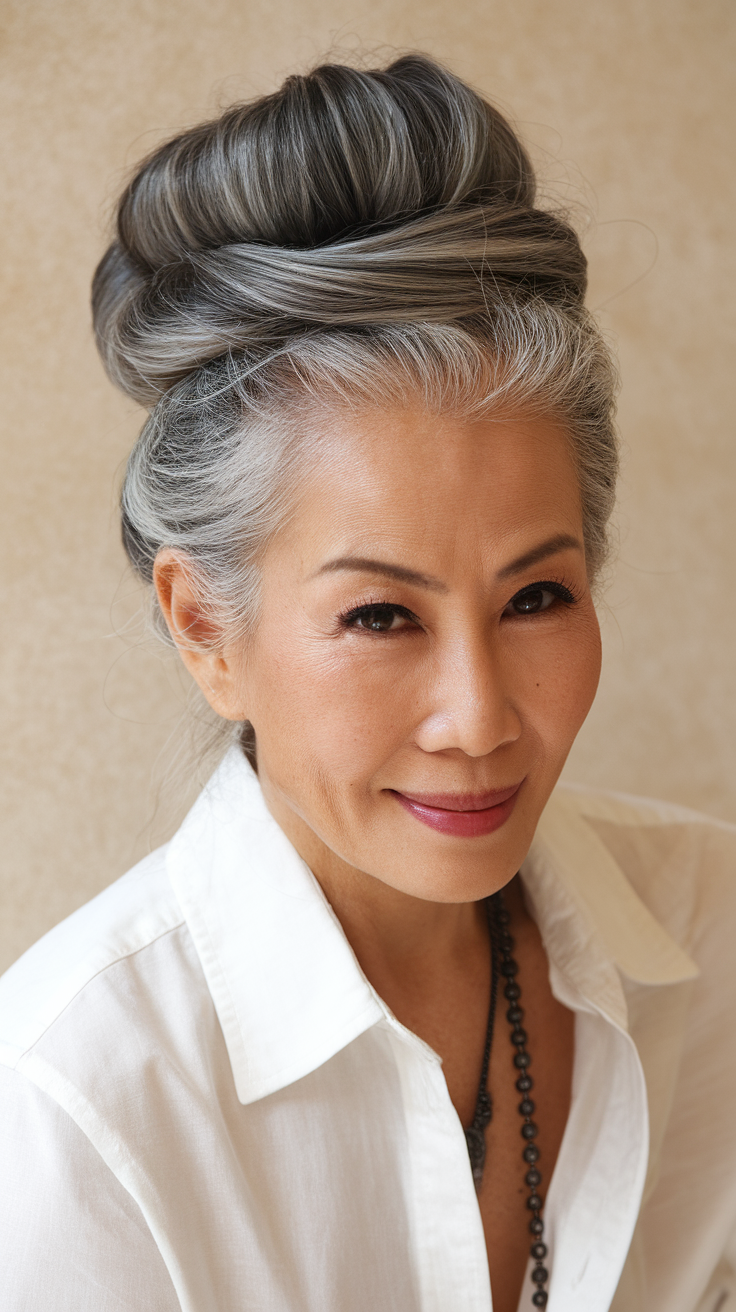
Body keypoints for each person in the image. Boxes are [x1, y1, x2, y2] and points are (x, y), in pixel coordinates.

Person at [0, 53, 734, 1312]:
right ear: (203, 628)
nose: (482, 717)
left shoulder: (714, 936)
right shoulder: (72, 1106)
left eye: (537, 597)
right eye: (380, 614)